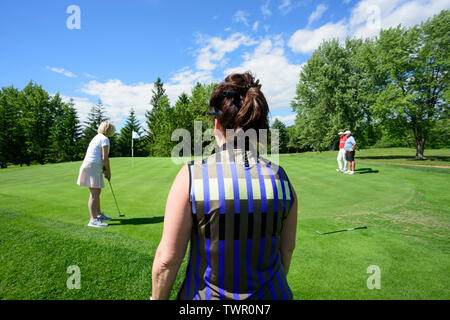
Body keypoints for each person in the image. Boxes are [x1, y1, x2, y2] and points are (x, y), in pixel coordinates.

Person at [151, 72, 298, 300]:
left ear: (217, 124)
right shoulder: (282, 178)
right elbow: (286, 250)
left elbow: (167, 260)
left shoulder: (191, 176)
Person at [77, 121, 116, 227]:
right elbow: (105, 158)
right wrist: (108, 171)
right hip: (93, 166)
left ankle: (98, 215)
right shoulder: (105, 139)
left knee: (96, 192)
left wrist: (103, 169)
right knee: (94, 193)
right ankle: (93, 220)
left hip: (91, 166)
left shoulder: (97, 137)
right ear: (109, 130)